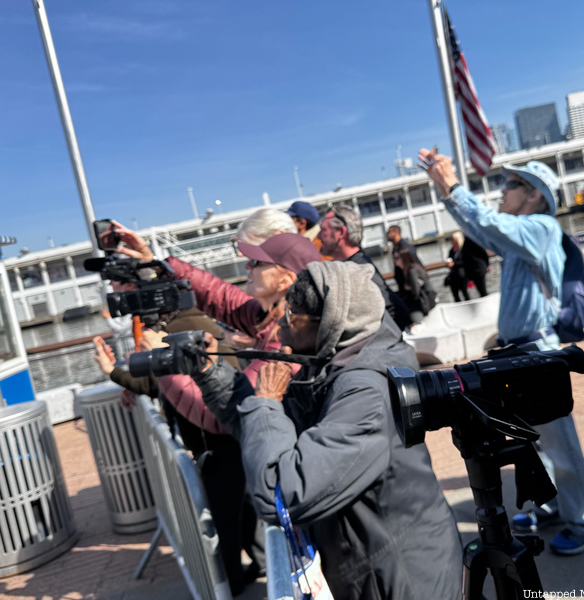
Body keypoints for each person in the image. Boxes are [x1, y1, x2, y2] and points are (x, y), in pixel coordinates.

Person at [192, 260, 462, 600]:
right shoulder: (330, 368)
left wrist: (268, 401)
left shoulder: (365, 392)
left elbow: (283, 496)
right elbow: (263, 433)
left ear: (331, 323)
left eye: (292, 317)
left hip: (401, 578)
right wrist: (210, 371)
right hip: (369, 568)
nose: (281, 331)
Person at [418, 148, 584, 555]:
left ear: (536, 195)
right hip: (521, 352)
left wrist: (453, 185)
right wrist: (447, 193)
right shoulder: (521, 237)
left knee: (561, 442)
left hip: (538, 351)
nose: (503, 191)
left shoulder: (540, 228)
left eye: (512, 184)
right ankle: (557, 503)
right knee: (536, 438)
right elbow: (481, 229)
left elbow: (488, 222)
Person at [92, 308, 263, 595]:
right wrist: (119, 374)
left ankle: (231, 583)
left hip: (220, 443)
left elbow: (185, 387)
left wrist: (144, 363)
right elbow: (160, 384)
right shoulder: (182, 326)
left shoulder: (188, 326)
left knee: (226, 519)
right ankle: (255, 566)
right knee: (238, 511)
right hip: (217, 444)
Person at [112, 221, 321, 388]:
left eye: (257, 262)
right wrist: (158, 263)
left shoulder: (284, 344)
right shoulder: (270, 320)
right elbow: (218, 295)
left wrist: (166, 364)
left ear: (285, 281)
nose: (247, 264)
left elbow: (237, 409)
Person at [318, 205, 413, 331]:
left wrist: (372, 344)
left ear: (340, 232)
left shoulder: (359, 269)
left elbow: (395, 310)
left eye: (323, 230)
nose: (318, 236)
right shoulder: (356, 264)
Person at [395, 247, 436, 324]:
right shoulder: (408, 269)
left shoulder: (412, 271)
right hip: (423, 298)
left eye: (397, 258)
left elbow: (415, 292)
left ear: (403, 258)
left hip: (427, 300)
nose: (395, 260)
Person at [386, 224, 423, 293]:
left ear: (396, 232)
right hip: (404, 288)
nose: (386, 235)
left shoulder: (405, 249)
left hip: (412, 289)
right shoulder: (396, 248)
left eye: (388, 232)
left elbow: (417, 267)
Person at [445, 231, 470, 302]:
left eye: (452, 239)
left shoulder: (463, 249)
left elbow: (466, 261)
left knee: (465, 293)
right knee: (455, 295)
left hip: (462, 275)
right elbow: (449, 259)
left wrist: (454, 264)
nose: (450, 241)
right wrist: (448, 264)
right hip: (453, 275)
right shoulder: (451, 251)